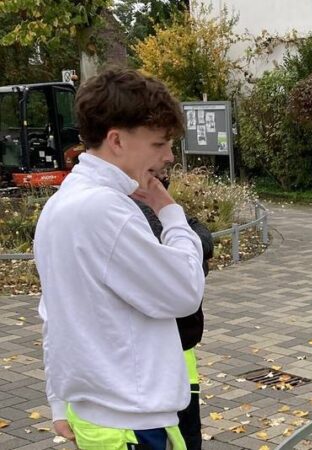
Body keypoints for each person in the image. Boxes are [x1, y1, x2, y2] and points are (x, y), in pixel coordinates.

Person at [34, 67, 205, 450]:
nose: (168, 156)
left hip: (101, 415)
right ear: (117, 140)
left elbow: (54, 314)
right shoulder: (106, 211)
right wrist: (169, 211)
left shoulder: (62, 204)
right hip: (128, 421)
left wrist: (60, 402)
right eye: (159, 144)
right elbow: (184, 291)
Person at [133, 170, 215, 450]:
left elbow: (203, 236)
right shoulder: (128, 217)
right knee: (175, 434)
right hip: (153, 364)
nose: (165, 172)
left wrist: (175, 220)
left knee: (187, 434)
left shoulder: (164, 212)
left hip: (182, 353)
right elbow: (186, 271)